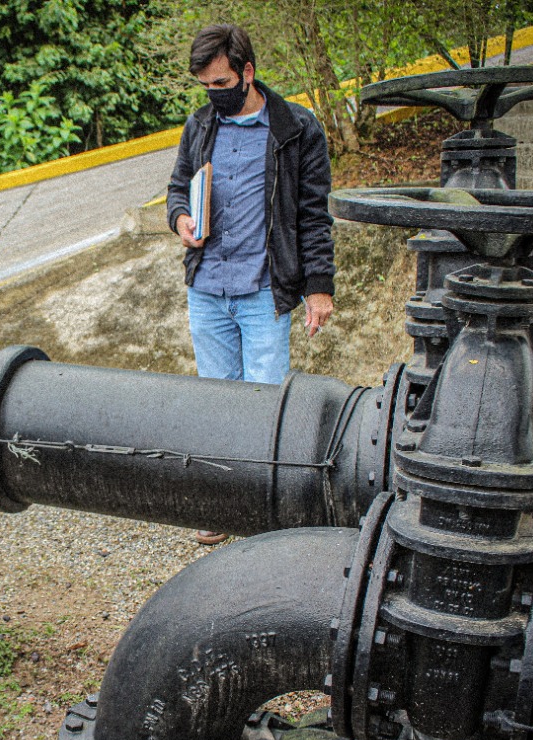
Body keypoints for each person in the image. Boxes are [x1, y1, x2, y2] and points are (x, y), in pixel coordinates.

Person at [166, 23, 336, 545]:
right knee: (217, 402)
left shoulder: (297, 129)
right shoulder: (200, 126)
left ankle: (261, 510)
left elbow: (313, 215)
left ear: (247, 72)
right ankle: (222, 504)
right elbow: (176, 191)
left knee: (265, 406)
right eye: (205, 87)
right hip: (207, 288)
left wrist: (319, 286)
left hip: (266, 291)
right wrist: (180, 222)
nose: (213, 95)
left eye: (221, 84)